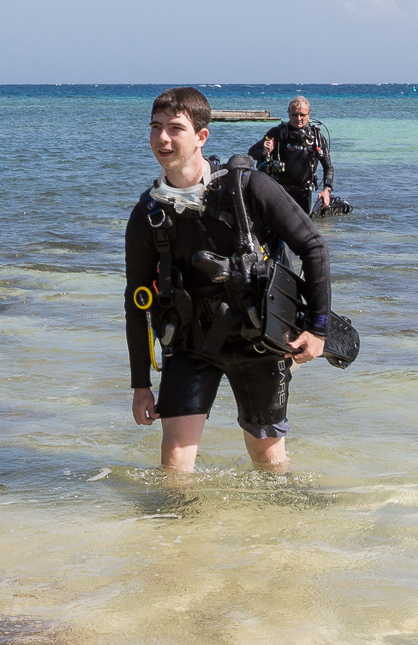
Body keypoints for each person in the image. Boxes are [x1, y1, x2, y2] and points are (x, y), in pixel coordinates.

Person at [125, 86, 329, 472]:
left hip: (257, 344)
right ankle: (176, 533)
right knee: (174, 466)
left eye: (175, 128)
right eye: (155, 127)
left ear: (202, 136)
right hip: (190, 345)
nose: (162, 138)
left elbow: (314, 246)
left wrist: (317, 329)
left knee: (268, 463)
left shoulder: (248, 188)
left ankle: (284, 531)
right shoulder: (147, 215)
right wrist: (140, 385)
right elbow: (136, 303)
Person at [249, 96, 335, 218]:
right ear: (289, 114)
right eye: (294, 115)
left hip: (304, 193)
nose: (298, 119)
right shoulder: (276, 134)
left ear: (308, 114)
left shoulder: (316, 138)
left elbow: (328, 167)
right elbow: (251, 152)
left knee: (302, 231)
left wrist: (327, 190)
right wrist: (264, 152)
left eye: (302, 115)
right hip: (279, 192)